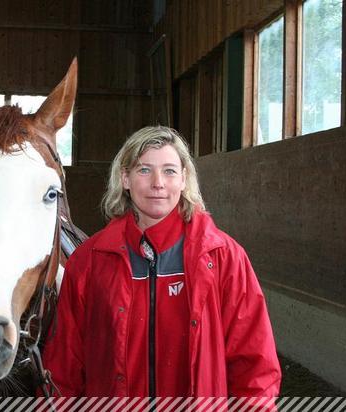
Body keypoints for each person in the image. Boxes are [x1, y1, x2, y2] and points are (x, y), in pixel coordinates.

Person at [42, 126, 281, 398]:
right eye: (144, 170)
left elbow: (255, 365)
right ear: (125, 178)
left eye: (169, 171)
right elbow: (63, 367)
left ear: (184, 179)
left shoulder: (224, 257)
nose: (158, 183)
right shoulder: (88, 262)